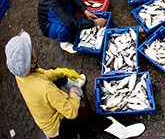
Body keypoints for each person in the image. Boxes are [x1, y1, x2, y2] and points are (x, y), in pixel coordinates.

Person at [5, 31, 146, 138]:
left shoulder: (21, 75)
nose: (34, 48)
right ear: (31, 59)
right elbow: (71, 113)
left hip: (45, 111)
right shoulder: (44, 89)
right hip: (58, 129)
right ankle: (123, 133)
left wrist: (61, 72)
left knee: (56, 73)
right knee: (84, 113)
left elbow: (44, 75)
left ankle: (75, 86)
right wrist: (74, 94)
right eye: (31, 49)